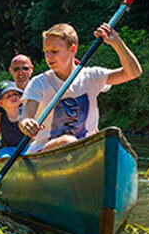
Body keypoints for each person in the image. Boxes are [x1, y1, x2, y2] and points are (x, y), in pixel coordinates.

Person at [18, 22, 142, 153]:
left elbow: (133, 72)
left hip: (86, 151)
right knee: (68, 141)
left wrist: (116, 42)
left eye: (54, 51)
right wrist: (26, 123)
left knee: (112, 139)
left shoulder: (92, 76)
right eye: (46, 52)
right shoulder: (39, 83)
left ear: (73, 49)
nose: (48, 57)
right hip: (45, 151)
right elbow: (26, 116)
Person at [0, 81, 29, 157]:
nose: (13, 97)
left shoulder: (26, 114)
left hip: (25, 147)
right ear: (0, 103)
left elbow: (34, 135)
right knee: (5, 157)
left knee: (28, 155)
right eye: (8, 96)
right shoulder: (0, 118)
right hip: (7, 149)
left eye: (15, 94)